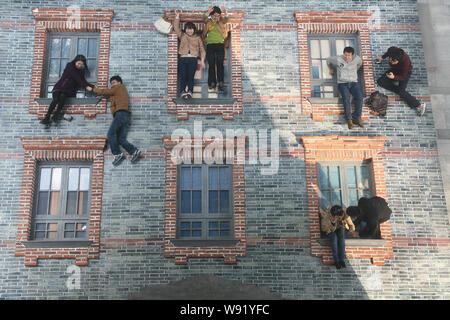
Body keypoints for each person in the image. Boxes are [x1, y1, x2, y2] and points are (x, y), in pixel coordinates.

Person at [89, 76, 141, 166]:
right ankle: (134, 151)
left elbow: (106, 92)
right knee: (121, 139)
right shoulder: (118, 91)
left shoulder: (119, 87)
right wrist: (100, 94)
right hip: (125, 115)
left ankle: (117, 153)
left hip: (120, 113)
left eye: (113, 83)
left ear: (119, 83)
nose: (112, 85)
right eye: (111, 83)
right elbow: (107, 94)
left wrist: (93, 89)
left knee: (111, 134)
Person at [40, 55, 94, 126]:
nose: (80, 65)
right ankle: (47, 116)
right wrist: (86, 86)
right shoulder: (70, 66)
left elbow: (82, 80)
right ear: (75, 62)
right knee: (56, 99)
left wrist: (92, 86)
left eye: (81, 64)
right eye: (78, 63)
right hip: (59, 87)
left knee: (62, 97)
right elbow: (77, 78)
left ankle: (56, 116)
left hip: (68, 90)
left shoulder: (81, 72)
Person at [375, 47, 426, 116]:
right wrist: (382, 57)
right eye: (390, 60)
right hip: (394, 70)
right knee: (380, 81)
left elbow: (403, 77)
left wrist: (394, 77)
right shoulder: (392, 50)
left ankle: (419, 105)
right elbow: (388, 53)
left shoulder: (406, 62)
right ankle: (399, 90)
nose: (391, 62)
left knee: (401, 92)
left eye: (393, 62)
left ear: (398, 60)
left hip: (404, 73)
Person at [327, 47, 364, 129]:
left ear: (352, 55)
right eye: (345, 55)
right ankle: (349, 119)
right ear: (343, 54)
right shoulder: (338, 59)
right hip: (342, 83)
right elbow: (328, 60)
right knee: (346, 99)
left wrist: (353, 71)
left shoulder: (357, 59)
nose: (347, 57)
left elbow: (359, 65)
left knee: (360, 97)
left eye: (349, 55)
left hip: (354, 82)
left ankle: (357, 117)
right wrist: (331, 69)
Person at [173, 10, 206, 99]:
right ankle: (183, 92)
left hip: (193, 59)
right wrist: (177, 17)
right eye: (187, 28)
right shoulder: (182, 35)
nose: (189, 30)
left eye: (191, 29)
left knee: (190, 77)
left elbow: (202, 50)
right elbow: (176, 27)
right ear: (185, 29)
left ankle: (190, 91)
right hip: (183, 59)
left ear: (194, 30)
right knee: (183, 76)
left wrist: (202, 60)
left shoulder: (197, 38)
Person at [202, 6, 229, 92]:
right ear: (212, 15)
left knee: (220, 64)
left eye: (218, 15)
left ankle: (221, 82)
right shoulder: (208, 21)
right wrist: (208, 11)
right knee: (211, 64)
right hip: (210, 45)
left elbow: (226, 19)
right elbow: (204, 18)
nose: (216, 17)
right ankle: (212, 82)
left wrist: (225, 13)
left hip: (220, 45)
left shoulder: (221, 21)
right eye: (214, 15)